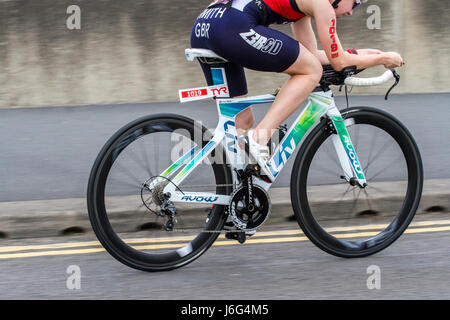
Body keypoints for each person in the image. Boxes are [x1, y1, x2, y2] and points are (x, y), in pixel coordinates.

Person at [190, 0, 404, 172]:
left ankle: (225, 202)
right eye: (356, 3)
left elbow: (312, 55)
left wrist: (360, 54)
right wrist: (384, 57)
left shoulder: (303, 10)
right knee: (311, 72)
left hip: (207, 25)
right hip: (232, 25)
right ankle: (260, 138)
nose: (351, 12)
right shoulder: (322, 5)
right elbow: (335, 62)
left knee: (241, 121)